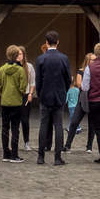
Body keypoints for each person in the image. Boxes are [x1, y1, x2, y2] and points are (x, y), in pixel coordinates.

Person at [34, 31, 72, 166]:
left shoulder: (41, 59)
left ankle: (40, 156)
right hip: (59, 95)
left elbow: (38, 80)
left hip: (45, 95)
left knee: (43, 125)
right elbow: (68, 78)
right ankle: (57, 157)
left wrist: (39, 94)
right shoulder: (64, 58)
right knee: (59, 126)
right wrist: (64, 91)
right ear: (58, 42)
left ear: (46, 42)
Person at [0, 45, 30, 163]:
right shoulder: (20, 70)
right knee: (15, 129)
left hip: (4, 102)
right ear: (16, 56)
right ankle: (14, 155)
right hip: (16, 102)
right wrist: (18, 92)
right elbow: (23, 87)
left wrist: (3, 91)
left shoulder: (2, 68)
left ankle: (5, 154)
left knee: (5, 128)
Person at [65, 55, 95, 153]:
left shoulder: (96, 71)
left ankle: (89, 146)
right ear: (88, 60)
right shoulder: (81, 71)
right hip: (82, 99)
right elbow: (79, 85)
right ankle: (67, 145)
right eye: (93, 60)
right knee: (74, 122)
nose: (95, 61)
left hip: (93, 99)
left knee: (92, 124)